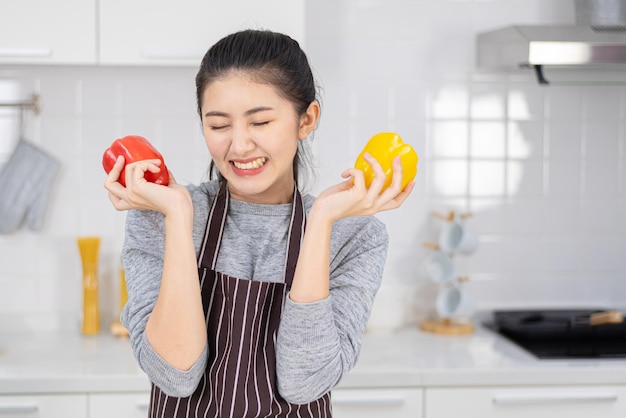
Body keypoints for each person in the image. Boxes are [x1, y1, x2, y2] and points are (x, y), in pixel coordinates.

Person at [104, 29, 414, 418]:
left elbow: (304, 384)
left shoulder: (355, 235)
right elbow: (175, 375)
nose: (239, 146)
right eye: (218, 126)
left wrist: (319, 224)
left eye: (261, 122)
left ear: (307, 120)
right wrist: (179, 219)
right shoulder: (161, 214)